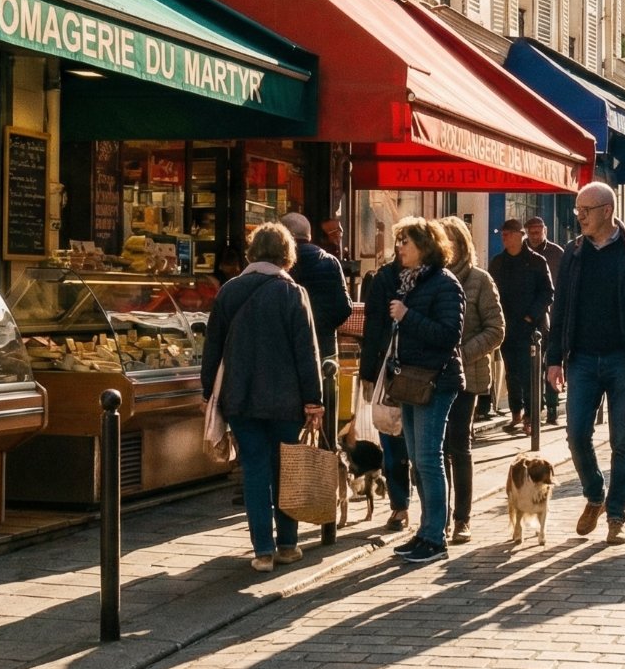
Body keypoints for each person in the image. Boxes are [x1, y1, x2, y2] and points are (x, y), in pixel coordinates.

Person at [545, 181, 625, 546]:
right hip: (582, 359)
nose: (579, 216)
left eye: (586, 210)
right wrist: (555, 360)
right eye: (577, 210)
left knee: (621, 442)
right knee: (576, 434)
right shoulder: (574, 253)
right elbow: (561, 308)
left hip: (624, 360)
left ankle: (616, 515)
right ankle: (595, 493)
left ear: (607, 211)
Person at [199, 222, 323, 573]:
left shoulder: (229, 292)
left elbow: (213, 349)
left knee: (254, 469)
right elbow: (307, 353)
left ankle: (262, 551)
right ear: (287, 254)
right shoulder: (293, 293)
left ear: (252, 252)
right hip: (287, 401)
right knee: (287, 469)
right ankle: (288, 544)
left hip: (240, 398)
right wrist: (314, 400)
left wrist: (209, 392)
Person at [358, 217, 465, 566]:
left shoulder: (444, 284)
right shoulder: (408, 283)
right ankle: (425, 531)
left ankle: (436, 537)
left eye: (405, 241)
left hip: (435, 381)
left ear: (425, 246)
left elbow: (450, 335)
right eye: (398, 241)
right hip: (407, 381)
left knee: (429, 460)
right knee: (419, 461)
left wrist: (407, 316)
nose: (399, 247)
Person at [439, 216, 504, 545]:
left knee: (458, 446)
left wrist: (462, 353)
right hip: (432, 375)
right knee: (433, 451)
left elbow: (496, 330)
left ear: (460, 245)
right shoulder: (429, 278)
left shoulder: (479, 280)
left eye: (445, 241)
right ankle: (437, 517)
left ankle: (461, 518)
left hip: (467, 376)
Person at [488, 218, 553, 434]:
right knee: (511, 372)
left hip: (530, 327)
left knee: (530, 373)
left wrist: (530, 316)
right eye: (502, 234)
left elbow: (547, 292)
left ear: (519, 235)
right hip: (505, 327)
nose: (504, 238)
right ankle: (515, 412)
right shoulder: (498, 262)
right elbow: (491, 294)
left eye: (508, 234)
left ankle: (531, 416)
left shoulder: (536, 261)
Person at [279, 213, 353, 362]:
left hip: (286, 350)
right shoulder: (330, 262)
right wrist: (324, 326)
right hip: (325, 348)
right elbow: (344, 307)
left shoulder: (279, 265)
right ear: (309, 235)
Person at [525, 215, 568, 426]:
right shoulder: (521, 253)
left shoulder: (556, 253)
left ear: (545, 231)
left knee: (552, 361)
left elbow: (565, 283)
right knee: (530, 365)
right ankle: (533, 409)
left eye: (538, 231)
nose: (534, 235)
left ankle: (552, 407)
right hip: (528, 317)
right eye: (531, 231)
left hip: (554, 315)